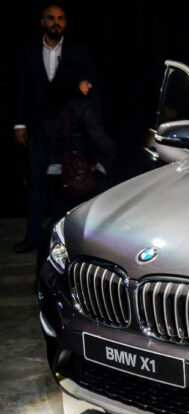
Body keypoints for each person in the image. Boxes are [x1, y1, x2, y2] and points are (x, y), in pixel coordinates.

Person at [13, 5, 98, 253]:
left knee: (70, 181)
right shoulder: (30, 51)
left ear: (66, 22)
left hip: (69, 128)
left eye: (60, 18)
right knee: (36, 180)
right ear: (43, 22)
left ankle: (68, 238)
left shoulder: (77, 50)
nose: (56, 23)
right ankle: (34, 235)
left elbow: (91, 86)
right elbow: (21, 88)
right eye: (51, 18)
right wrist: (19, 122)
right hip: (39, 126)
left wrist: (92, 124)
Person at [39, 63, 115, 269]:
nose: (89, 86)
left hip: (56, 172)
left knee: (56, 223)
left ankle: (45, 270)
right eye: (85, 81)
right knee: (90, 224)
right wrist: (110, 152)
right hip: (80, 176)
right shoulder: (83, 107)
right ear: (75, 83)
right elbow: (101, 142)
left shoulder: (51, 106)